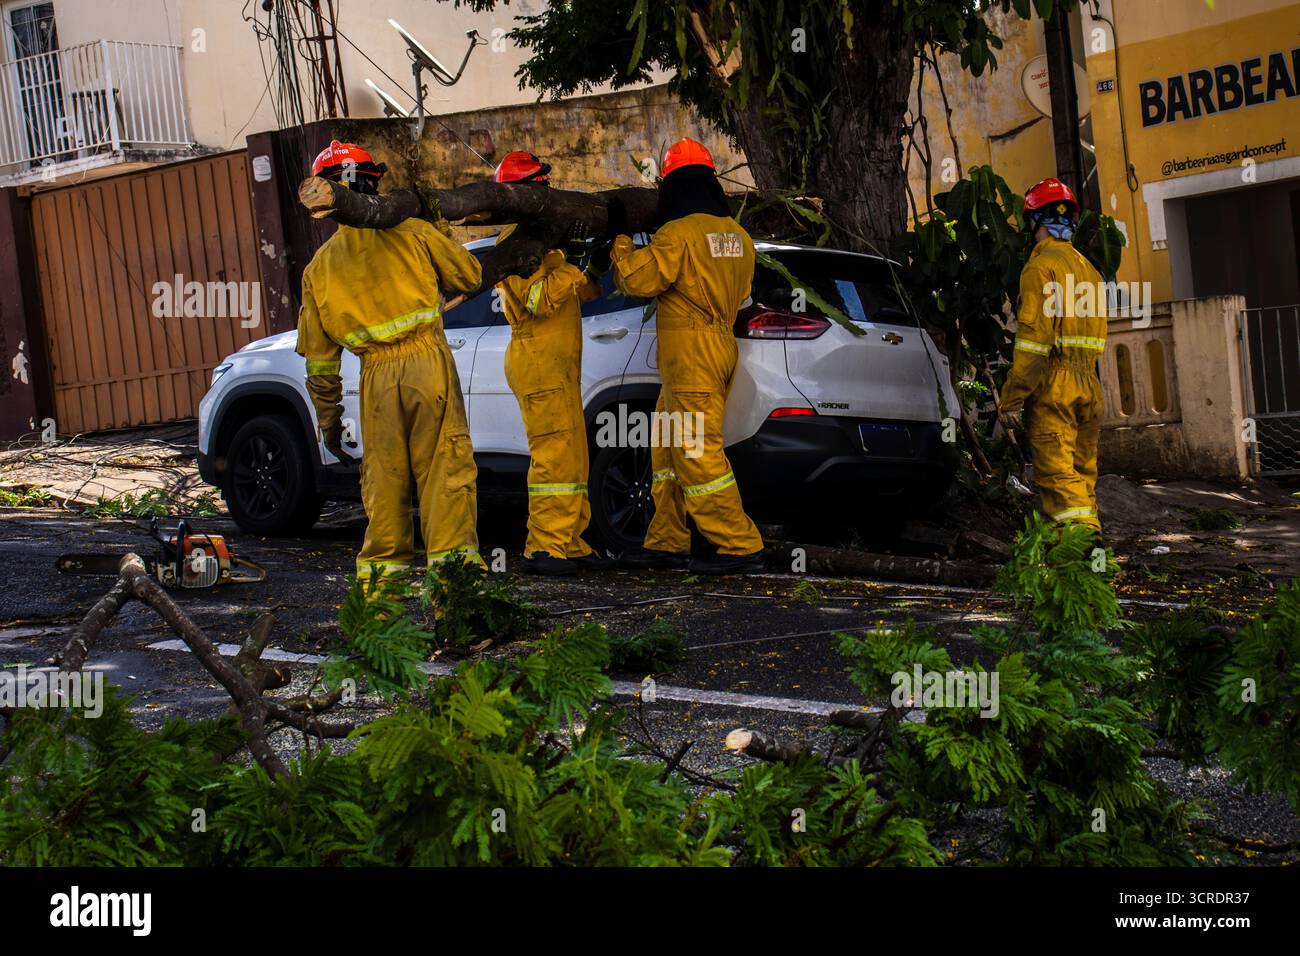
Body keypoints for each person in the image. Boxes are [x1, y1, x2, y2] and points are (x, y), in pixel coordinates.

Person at [296, 140, 484, 582]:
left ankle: (378, 622)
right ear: (373, 184)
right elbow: (469, 275)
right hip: (427, 366)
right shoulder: (414, 231)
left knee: (383, 491)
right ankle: (455, 606)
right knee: (445, 480)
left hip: (375, 380)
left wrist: (329, 422)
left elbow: (321, 364)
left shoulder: (318, 269)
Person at [598, 137, 764, 575]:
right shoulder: (740, 238)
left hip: (691, 356)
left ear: (673, 186)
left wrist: (619, 241)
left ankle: (739, 543)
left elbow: (636, 279)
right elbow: (743, 298)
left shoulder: (679, 233)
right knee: (668, 450)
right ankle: (667, 540)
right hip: (718, 347)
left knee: (695, 452)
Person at [492, 150, 608, 576]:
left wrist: (591, 265)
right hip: (537, 358)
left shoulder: (545, 245)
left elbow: (577, 294)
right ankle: (543, 546)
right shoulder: (515, 246)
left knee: (573, 456)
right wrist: (574, 264)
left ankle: (570, 540)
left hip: (558, 363)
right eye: (540, 187)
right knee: (553, 457)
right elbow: (540, 301)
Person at [998, 177, 1106, 534]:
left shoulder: (1040, 268)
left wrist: (1011, 400)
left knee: (1058, 475)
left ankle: (1083, 545)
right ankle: (1081, 563)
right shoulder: (1090, 271)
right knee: (1081, 475)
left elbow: (1033, 343)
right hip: (1089, 386)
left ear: (1034, 221)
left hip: (1055, 387)